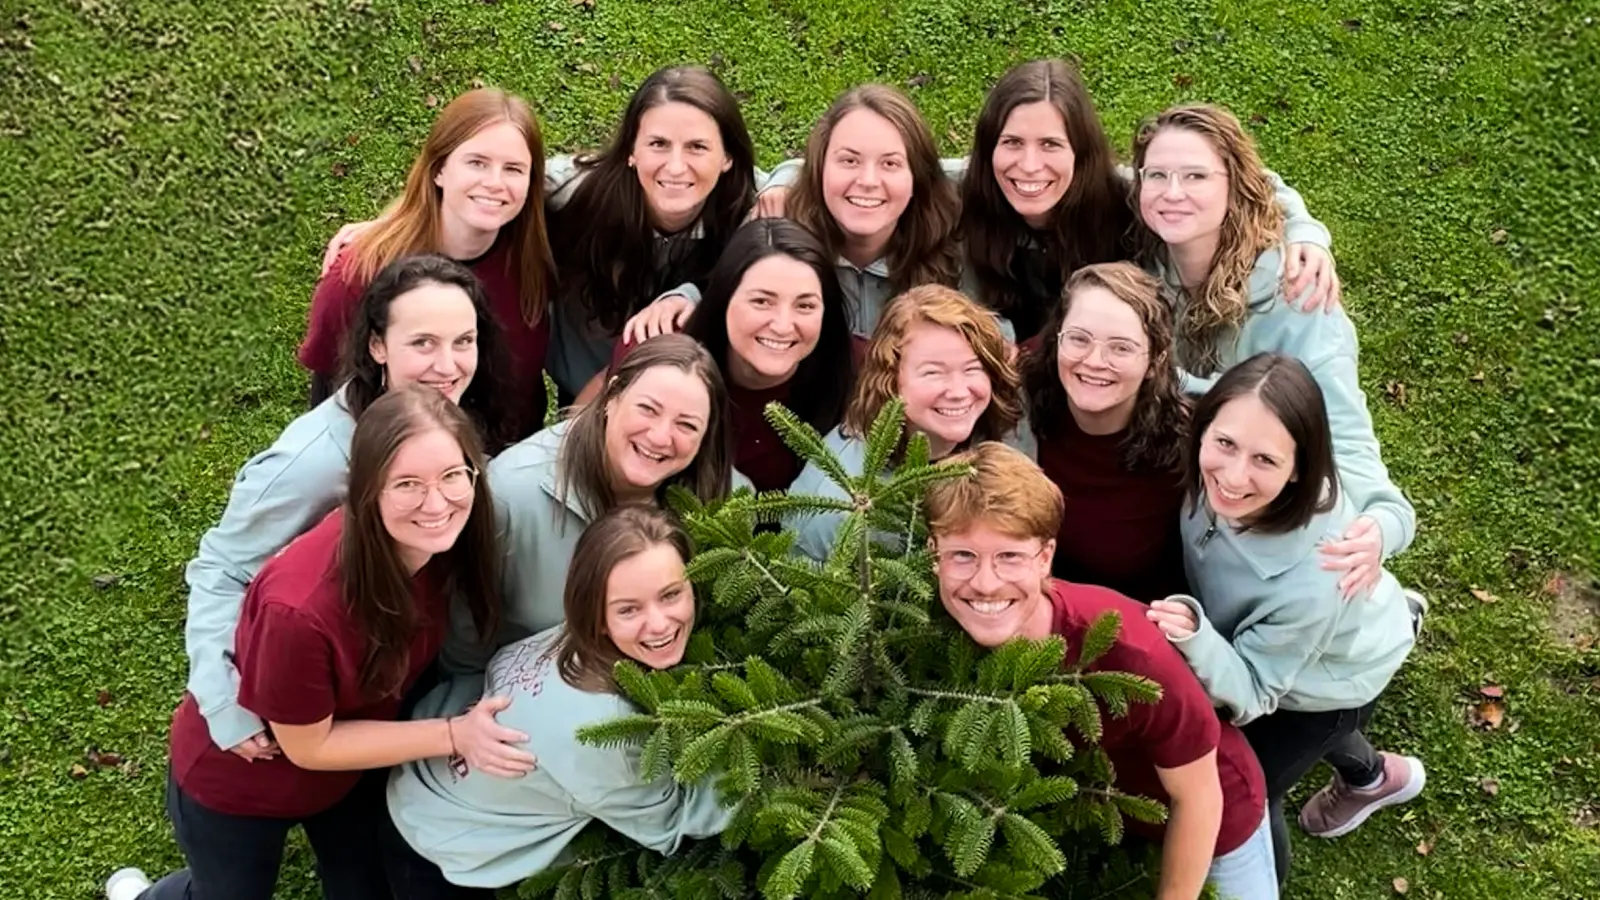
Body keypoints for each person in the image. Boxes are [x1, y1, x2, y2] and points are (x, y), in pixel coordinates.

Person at [106, 387, 536, 900]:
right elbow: (310, 745)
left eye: (451, 475)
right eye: (408, 484)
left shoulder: (439, 546)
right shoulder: (300, 611)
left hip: (348, 775)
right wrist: (453, 734)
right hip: (245, 780)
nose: (437, 502)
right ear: (365, 490)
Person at [183, 255, 515, 768]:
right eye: (423, 343)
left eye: (463, 342)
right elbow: (223, 568)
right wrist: (223, 698)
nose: (448, 366)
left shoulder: (451, 411)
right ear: (377, 345)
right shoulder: (311, 464)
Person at [923, 441, 1276, 900]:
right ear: (933, 553)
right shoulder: (934, 633)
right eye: (962, 556)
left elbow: (1200, 798)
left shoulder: (1128, 653)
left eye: (1010, 556)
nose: (985, 582)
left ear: (1046, 556)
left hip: (1216, 813)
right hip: (1107, 818)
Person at [1145, 353, 1426, 885]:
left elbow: (1255, 691)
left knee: (1250, 791)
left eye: (1264, 462)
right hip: (1317, 644)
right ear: (1204, 424)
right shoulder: (1224, 432)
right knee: (1326, 738)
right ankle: (1371, 777)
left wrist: (1198, 637)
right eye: (1224, 444)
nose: (1231, 477)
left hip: (1323, 685)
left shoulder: (1315, 576)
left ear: (1299, 468)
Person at [1133, 103, 1416, 600]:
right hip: (1180, 463)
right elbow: (1040, 168)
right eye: (1157, 175)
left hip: (1241, 478)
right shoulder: (1147, 253)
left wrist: (1384, 521)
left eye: (1197, 176)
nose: (1172, 192)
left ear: (1234, 186)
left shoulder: (1298, 298)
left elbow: (1340, 431)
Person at [384, 505, 731, 893]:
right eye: (629, 609)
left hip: (420, 772)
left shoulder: (578, 637)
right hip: (441, 840)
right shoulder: (601, 731)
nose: (660, 623)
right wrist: (775, 772)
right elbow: (670, 822)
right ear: (596, 615)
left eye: (671, 595)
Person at [960, 59, 1338, 341]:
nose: (1029, 165)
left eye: (1050, 145)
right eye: (1011, 142)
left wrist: (1305, 231)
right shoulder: (965, 187)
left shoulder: (1123, 196)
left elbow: (1250, 181)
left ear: (1081, 150)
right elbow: (907, 164)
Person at [441, 334, 735, 672]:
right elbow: (465, 647)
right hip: (533, 696)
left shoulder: (722, 502)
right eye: (648, 409)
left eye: (686, 424)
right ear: (611, 396)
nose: (660, 436)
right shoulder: (511, 494)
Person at [630, 83, 982, 343]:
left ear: (916, 174)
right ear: (819, 168)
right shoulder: (779, 234)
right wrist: (684, 298)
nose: (868, 181)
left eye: (890, 163)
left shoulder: (954, 245)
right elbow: (728, 291)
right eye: (849, 160)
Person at [299, 89, 555, 438]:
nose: (495, 183)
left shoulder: (539, 253)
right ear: (439, 170)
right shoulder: (361, 272)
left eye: (513, 169)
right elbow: (329, 398)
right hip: (397, 464)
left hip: (508, 462)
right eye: (477, 162)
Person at [544, 65, 759, 400]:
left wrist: (784, 182)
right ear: (631, 150)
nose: (675, 167)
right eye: (658, 144)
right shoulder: (577, 194)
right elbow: (504, 166)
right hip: (579, 397)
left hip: (688, 401)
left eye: (697, 147)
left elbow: (807, 179)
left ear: (727, 156)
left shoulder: (748, 207)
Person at [609, 219, 856, 492]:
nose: (783, 325)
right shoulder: (656, 351)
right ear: (724, 297)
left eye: (805, 305)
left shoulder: (855, 371)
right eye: (762, 301)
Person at [788, 284, 1023, 561]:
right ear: (890, 381)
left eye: (972, 369)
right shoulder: (838, 506)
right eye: (933, 373)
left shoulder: (999, 438)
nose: (959, 391)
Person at [1020, 261, 1189, 601]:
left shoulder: (1186, 446)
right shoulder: (1018, 392)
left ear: (1155, 361)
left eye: (1121, 347)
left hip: (1131, 624)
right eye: (1079, 339)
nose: (1095, 360)